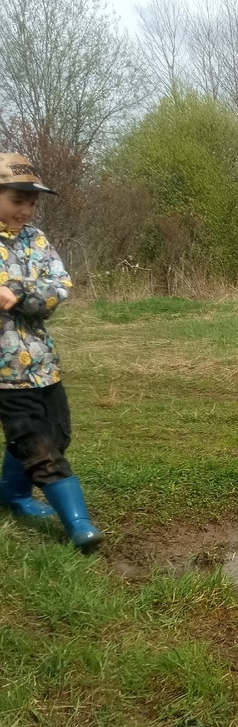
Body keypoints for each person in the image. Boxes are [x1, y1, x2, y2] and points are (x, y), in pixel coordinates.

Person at [0, 153, 103, 549]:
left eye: (31, 203)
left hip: (43, 363)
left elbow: (58, 289)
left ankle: (12, 494)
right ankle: (79, 526)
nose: (25, 210)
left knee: (57, 435)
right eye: (16, 201)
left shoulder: (36, 239)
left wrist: (20, 293)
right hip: (5, 373)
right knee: (37, 445)